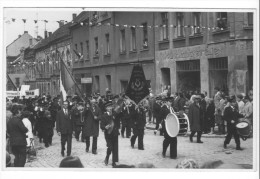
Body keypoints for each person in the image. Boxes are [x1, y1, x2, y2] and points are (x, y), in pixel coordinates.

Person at [100, 101, 120, 167]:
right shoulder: (104, 116)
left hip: (115, 133)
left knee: (115, 148)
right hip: (108, 134)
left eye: (111, 107)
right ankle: (107, 157)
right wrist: (105, 127)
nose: (110, 108)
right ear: (106, 108)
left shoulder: (114, 114)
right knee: (110, 147)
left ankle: (114, 162)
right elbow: (101, 125)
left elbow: (120, 113)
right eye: (108, 107)